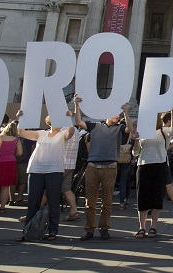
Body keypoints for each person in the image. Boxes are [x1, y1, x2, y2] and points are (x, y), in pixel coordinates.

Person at [73, 95, 134, 241]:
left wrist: (126, 112)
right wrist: (77, 106)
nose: (117, 116)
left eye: (118, 115)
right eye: (115, 114)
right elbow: (78, 122)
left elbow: (130, 128)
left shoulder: (119, 128)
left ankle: (104, 228)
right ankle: (89, 229)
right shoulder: (95, 126)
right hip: (93, 166)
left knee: (107, 201)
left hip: (110, 166)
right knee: (90, 202)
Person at [15, 110, 76, 241]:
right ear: (50, 122)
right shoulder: (41, 133)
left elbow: (70, 133)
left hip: (54, 170)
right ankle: (28, 231)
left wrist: (70, 119)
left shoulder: (62, 134)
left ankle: (53, 231)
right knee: (33, 202)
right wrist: (20, 118)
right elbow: (21, 132)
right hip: (36, 169)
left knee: (53, 202)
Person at [133, 104, 173, 238]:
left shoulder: (162, 131)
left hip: (159, 165)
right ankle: (141, 227)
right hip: (143, 165)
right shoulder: (141, 132)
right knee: (142, 198)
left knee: (156, 197)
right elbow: (135, 152)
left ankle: (153, 226)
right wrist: (136, 141)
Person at [0, 120, 23, 213]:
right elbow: (20, 153)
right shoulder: (16, 140)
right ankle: (2, 207)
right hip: (10, 162)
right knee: (5, 186)